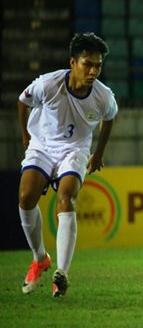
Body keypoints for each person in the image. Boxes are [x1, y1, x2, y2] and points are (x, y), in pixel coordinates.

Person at [18, 33, 118, 297]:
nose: (93, 71)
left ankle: (61, 273)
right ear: (73, 62)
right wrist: (26, 137)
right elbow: (22, 101)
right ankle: (40, 258)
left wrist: (98, 154)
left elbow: (110, 117)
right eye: (88, 64)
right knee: (26, 198)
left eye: (98, 66)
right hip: (42, 145)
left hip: (75, 149)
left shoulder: (103, 96)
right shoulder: (49, 84)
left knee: (66, 198)